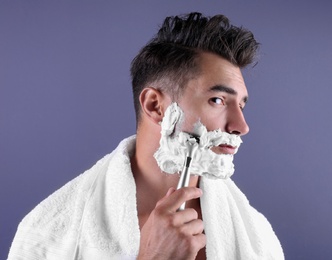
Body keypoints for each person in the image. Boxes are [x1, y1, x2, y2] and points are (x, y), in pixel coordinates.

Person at [8, 12, 284, 260]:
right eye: (217, 100)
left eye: (242, 105)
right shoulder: (49, 234)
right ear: (155, 106)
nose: (241, 125)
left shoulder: (257, 237)